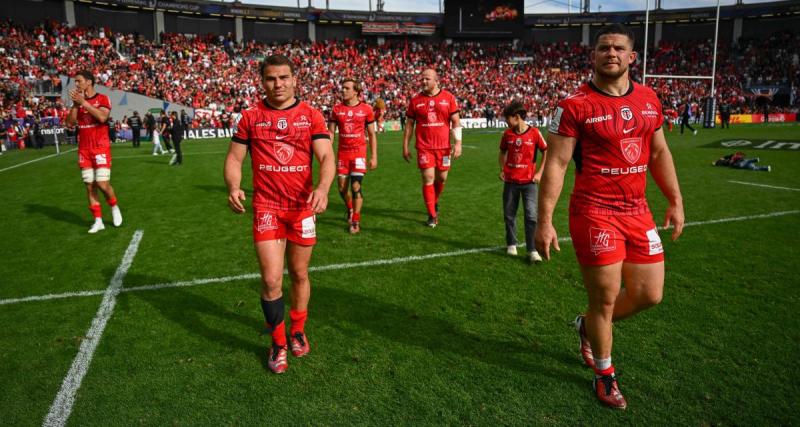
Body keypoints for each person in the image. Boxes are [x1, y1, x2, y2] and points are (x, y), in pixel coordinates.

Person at [536, 24, 684, 410]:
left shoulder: (650, 99)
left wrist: (675, 199)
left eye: (619, 48)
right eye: (604, 48)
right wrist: (544, 220)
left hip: (638, 210)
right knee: (603, 298)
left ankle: (586, 326)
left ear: (632, 57)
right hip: (594, 212)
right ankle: (605, 375)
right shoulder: (574, 106)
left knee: (649, 294)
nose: (611, 53)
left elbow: (660, 153)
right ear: (594, 56)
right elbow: (557, 162)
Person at [224, 54, 335, 374]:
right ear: (263, 81)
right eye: (271, 78)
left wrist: (324, 188)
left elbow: (326, 156)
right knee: (272, 279)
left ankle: (297, 330)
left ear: (294, 79)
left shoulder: (311, 115)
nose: (278, 84)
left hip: (302, 208)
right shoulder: (250, 116)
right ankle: (278, 342)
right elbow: (234, 158)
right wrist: (234, 186)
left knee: (299, 274)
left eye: (284, 78)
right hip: (267, 207)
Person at [65, 70, 123, 234]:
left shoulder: (103, 98)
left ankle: (114, 207)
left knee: (102, 184)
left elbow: (103, 118)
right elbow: (69, 124)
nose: (76, 84)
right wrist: (76, 106)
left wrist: (83, 102)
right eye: (75, 81)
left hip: (100, 146)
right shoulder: (77, 102)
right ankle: (98, 221)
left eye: (79, 81)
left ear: (89, 82)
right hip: (84, 148)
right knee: (90, 186)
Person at [402, 69, 463, 227]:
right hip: (424, 147)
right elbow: (409, 125)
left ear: (436, 80)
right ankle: (432, 215)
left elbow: (456, 121)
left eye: (427, 79)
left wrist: (458, 143)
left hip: (443, 147)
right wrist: (405, 146)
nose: (423, 81)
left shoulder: (448, 97)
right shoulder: (415, 100)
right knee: (428, 177)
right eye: (422, 79)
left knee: (442, 178)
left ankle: (433, 202)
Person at [499, 100, 547, 263]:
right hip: (511, 181)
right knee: (509, 214)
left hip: (529, 182)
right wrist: (502, 170)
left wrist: (539, 173)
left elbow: (545, 151)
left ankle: (532, 249)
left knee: (531, 216)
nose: (506, 121)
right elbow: (502, 152)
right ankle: (511, 243)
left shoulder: (535, 133)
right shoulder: (507, 134)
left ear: (517, 117)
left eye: (507, 118)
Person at [328, 78, 378, 234]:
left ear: (356, 91)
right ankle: (350, 209)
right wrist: (327, 152)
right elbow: (330, 133)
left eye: (347, 88)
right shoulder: (336, 109)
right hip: (343, 154)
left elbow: (371, 134)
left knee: (356, 186)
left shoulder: (366, 109)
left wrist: (374, 156)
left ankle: (355, 221)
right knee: (342, 189)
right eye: (342, 88)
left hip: (359, 154)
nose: (343, 90)